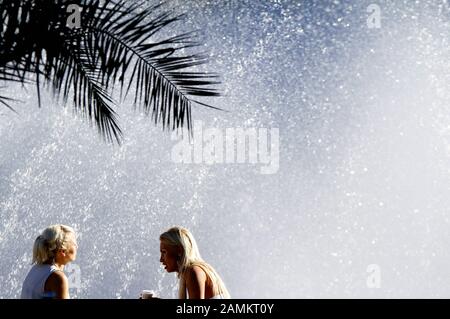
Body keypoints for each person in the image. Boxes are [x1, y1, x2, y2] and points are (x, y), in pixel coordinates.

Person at [159, 226, 230, 299]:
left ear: (179, 250)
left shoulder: (193, 271)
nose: (161, 259)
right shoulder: (193, 271)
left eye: (164, 252)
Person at [21, 224, 78, 299]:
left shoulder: (36, 269)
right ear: (63, 251)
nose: (77, 246)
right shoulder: (58, 278)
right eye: (74, 244)